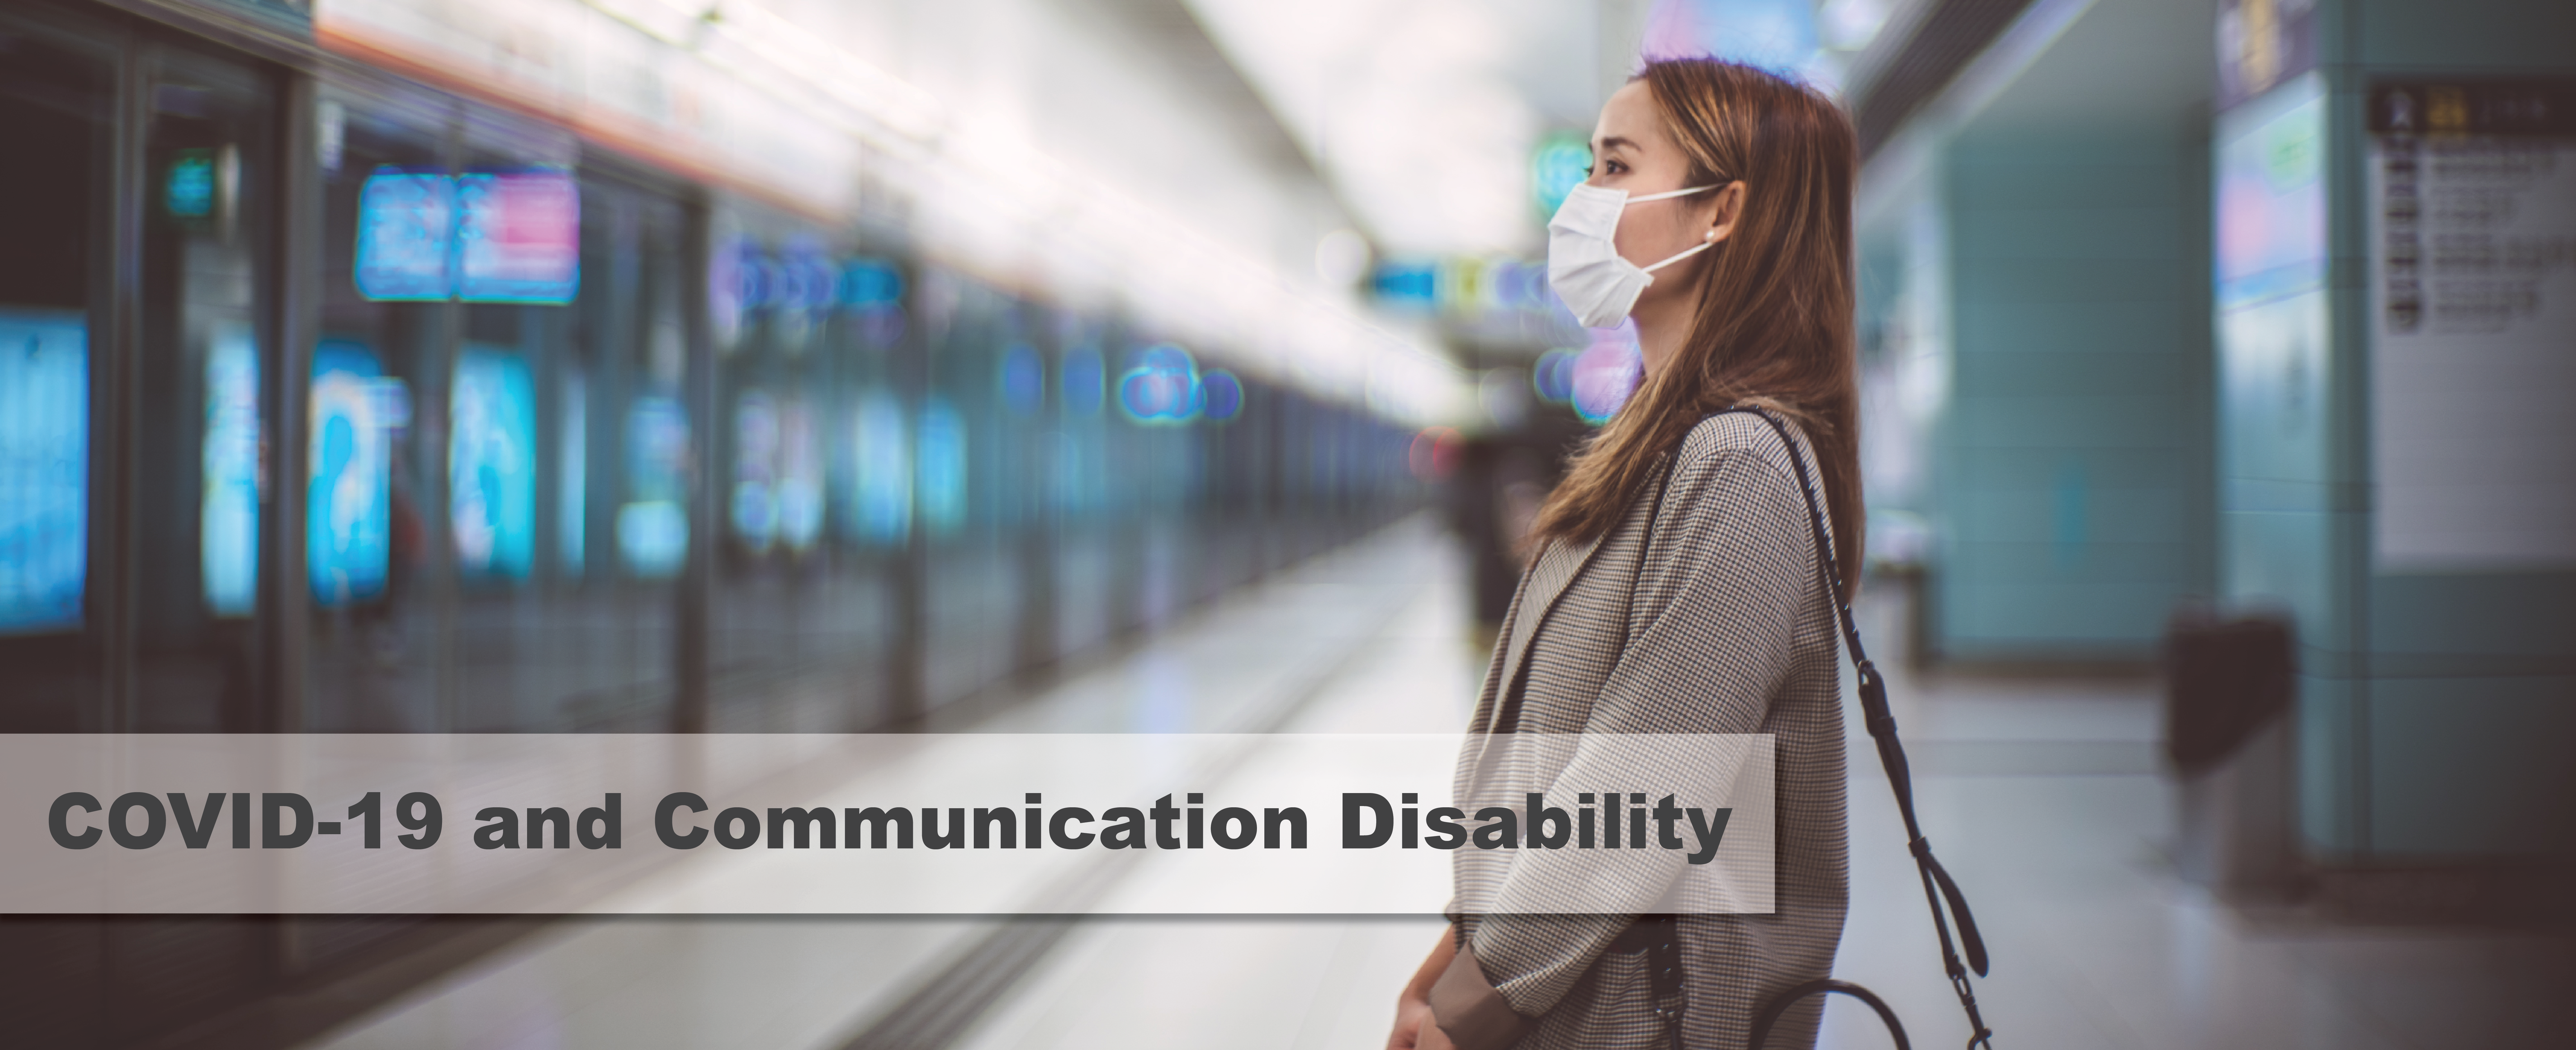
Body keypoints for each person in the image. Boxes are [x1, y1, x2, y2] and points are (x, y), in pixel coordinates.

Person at [1389, 57, 1860, 1050]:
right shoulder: (1657, 441)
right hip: (1570, 991)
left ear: (1718, 211)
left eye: (1612, 166)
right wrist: (1452, 956)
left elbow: (1638, 791)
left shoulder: (1734, 461)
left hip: (1638, 1017)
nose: (1582, 201)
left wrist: (1476, 1005)